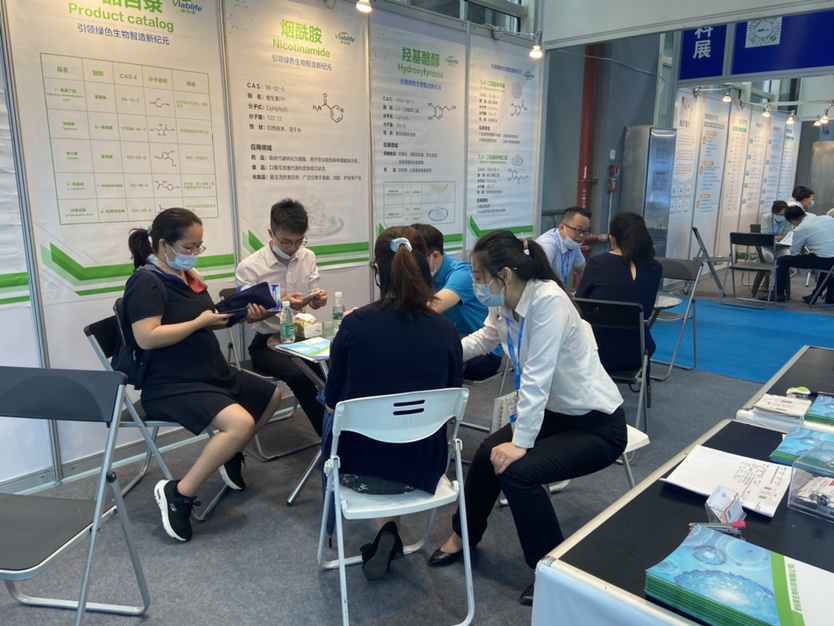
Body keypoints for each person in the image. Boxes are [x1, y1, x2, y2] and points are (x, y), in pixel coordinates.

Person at [428, 230, 626, 606]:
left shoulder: (548, 301)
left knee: (518, 472)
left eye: (479, 276)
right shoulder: (506, 300)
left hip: (597, 424)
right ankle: (463, 536)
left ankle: (549, 570)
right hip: (555, 413)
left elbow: (537, 376)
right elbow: (485, 338)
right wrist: (439, 351)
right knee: (487, 453)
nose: (476, 284)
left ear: (504, 274)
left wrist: (520, 443)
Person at [125, 208, 284, 542]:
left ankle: (228, 454)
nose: (195, 253)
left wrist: (245, 315)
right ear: (164, 245)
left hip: (208, 371)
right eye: (189, 247)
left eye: (199, 246)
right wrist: (200, 322)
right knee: (240, 424)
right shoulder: (145, 282)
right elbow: (147, 337)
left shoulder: (186, 276)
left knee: (272, 396)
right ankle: (178, 494)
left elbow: (209, 319)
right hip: (171, 382)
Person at [324, 225, 463, 581]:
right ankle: (389, 530)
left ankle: (383, 530)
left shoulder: (354, 325)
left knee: (334, 415)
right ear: (425, 266)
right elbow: (452, 402)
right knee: (396, 427)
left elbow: (333, 403)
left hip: (360, 473)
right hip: (425, 470)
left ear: (377, 269)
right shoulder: (445, 330)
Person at [235, 199, 328, 436]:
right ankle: (328, 435)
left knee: (334, 364)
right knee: (299, 375)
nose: (292, 248)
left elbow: (312, 298)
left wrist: (317, 299)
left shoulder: (307, 257)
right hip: (266, 344)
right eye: (286, 241)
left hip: (302, 337)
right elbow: (247, 317)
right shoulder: (250, 267)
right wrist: (283, 304)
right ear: (271, 233)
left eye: (298, 241)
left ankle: (343, 428)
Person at [410, 222, 503, 381]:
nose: (412, 267)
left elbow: (428, 309)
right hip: (455, 345)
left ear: (434, 256)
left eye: (415, 261)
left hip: (483, 353)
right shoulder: (427, 276)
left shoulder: (462, 274)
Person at [576, 211, 662, 372]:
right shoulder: (655, 268)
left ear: (612, 238)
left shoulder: (597, 264)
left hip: (597, 351)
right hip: (638, 352)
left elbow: (580, 305)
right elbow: (647, 310)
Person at [768, 205, 834, 303]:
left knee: (782, 261)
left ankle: (779, 294)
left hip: (826, 261)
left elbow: (794, 253)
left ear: (793, 222)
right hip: (830, 261)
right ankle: (817, 295)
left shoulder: (801, 228)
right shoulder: (827, 218)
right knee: (826, 262)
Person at [535, 207, 592, 289]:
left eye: (586, 231)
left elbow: (582, 269)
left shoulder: (573, 243)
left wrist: (581, 293)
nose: (581, 235)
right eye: (578, 230)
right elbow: (538, 278)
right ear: (562, 228)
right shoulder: (548, 245)